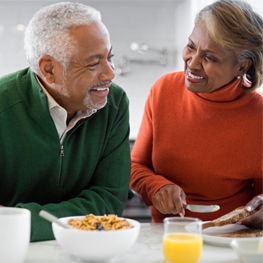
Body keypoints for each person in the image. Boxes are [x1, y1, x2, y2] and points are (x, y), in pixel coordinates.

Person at [0, 2, 131, 241]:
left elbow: (109, 201)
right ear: (49, 69)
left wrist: (16, 221)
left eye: (109, 57)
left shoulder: (115, 103)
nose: (110, 73)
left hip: (84, 249)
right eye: (93, 63)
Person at [130, 0, 263, 229]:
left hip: (232, 238)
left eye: (210, 58)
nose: (192, 62)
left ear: (242, 67)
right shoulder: (163, 91)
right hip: (168, 236)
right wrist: (156, 187)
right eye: (191, 46)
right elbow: (135, 166)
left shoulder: (258, 117)